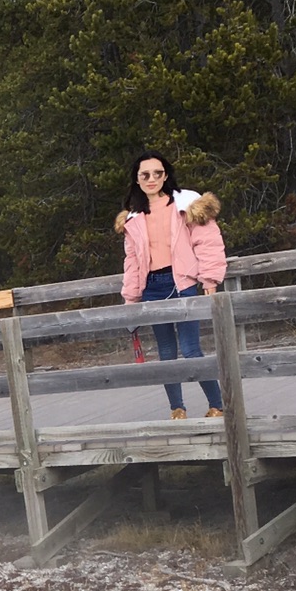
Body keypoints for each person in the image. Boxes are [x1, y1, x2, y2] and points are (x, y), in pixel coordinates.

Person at [116, 152, 228, 419]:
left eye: (158, 173)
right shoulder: (133, 218)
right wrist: (131, 298)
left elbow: (208, 242)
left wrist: (210, 279)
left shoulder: (186, 203)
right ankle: (177, 409)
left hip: (183, 284)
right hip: (152, 287)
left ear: (165, 175)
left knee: (191, 350)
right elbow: (132, 261)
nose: (152, 179)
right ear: (137, 179)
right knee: (166, 352)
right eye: (145, 174)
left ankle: (218, 405)